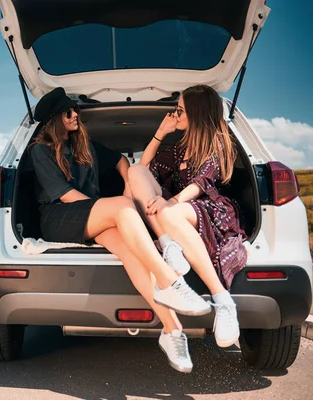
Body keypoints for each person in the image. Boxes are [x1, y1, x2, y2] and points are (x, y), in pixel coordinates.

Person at [30, 87, 211, 373]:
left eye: (76, 110)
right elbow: (65, 196)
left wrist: (127, 184)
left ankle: (172, 331)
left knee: (130, 250)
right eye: (69, 112)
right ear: (55, 119)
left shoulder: (85, 146)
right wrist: (112, 206)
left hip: (90, 219)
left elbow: (122, 161)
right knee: (121, 209)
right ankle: (171, 283)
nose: (76, 114)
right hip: (59, 217)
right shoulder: (40, 150)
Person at [127, 84, 248, 349]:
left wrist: (169, 201)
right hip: (175, 214)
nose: (175, 114)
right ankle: (169, 243)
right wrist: (161, 132)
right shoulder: (179, 149)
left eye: (180, 110)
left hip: (208, 208)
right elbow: (144, 169)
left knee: (170, 212)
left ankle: (223, 299)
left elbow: (202, 184)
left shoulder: (217, 143)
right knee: (135, 172)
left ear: (196, 112)